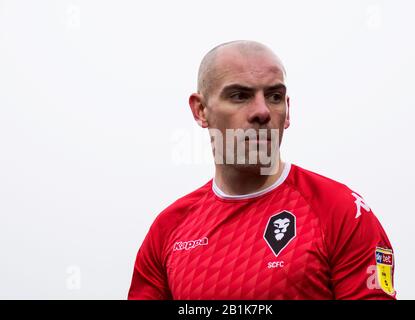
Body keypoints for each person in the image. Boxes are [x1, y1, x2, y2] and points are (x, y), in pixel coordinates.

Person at [128, 40, 396, 300]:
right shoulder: (169, 229)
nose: (262, 111)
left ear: (287, 111)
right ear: (200, 110)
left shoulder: (341, 210)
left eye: (274, 96)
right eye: (239, 96)